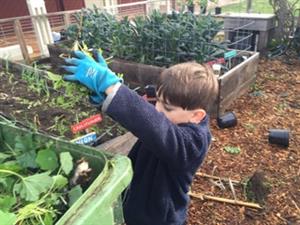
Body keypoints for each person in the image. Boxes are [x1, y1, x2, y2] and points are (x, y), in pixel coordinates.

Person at [63, 50, 218, 225]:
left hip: (160, 220)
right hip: (138, 206)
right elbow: (145, 122)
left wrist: (112, 86)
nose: (158, 109)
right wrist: (107, 95)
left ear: (196, 116)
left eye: (167, 107)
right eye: (157, 101)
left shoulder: (193, 143)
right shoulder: (172, 121)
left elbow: (154, 126)